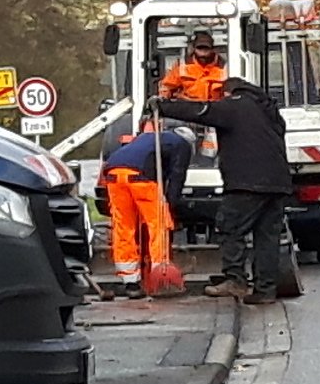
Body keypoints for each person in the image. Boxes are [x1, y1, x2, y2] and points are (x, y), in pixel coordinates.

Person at [155, 70, 297, 297]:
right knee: (266, 237)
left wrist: (163, 107)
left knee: (230, 228)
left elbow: (201, 111)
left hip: (246, 182)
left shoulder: (234, 105)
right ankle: (265, 290)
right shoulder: (268, 110)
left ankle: (235, 280)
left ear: (228, 92)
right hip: (278, 183)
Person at [99, 123, 189, 295]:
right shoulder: (182, 144)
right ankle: (161, 276)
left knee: (123, 227)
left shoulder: (151, 139)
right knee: (158, 223)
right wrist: (170, 204)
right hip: (141, 177)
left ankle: (130, 281)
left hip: (113, 172)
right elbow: (177, 176)